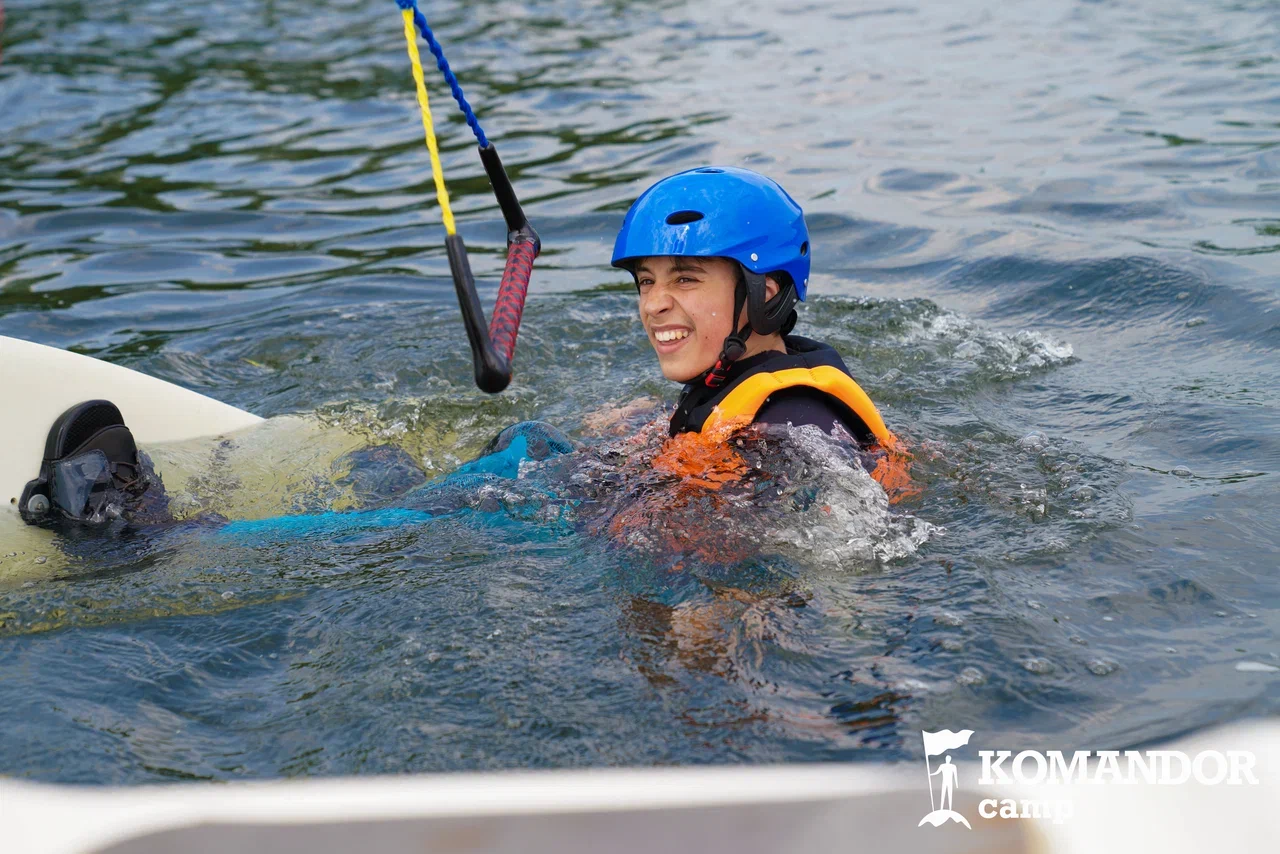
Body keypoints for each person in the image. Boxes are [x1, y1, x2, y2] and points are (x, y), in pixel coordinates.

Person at [611, 166, 895, 448]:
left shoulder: (786, 433)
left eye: (685, 279)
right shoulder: (733, 384)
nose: (653, 304)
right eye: (647, 280)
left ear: (764, 295)